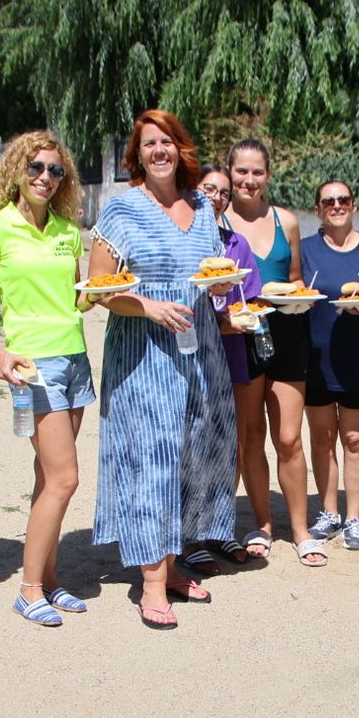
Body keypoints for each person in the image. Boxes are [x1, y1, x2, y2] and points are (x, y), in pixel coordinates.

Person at [86, 109, 239, 629]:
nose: (159, 151)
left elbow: (215, 272)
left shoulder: (201, 206)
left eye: (167, 141)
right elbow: (97, 288)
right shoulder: (121, 210)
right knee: (154, 459)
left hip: (201, 353)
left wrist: (218, 287)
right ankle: (152, 584)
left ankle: (172, 566)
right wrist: (148, 306)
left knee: (192, 456)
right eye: (149, 143)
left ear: (180, 149)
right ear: (138, 153)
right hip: (143, 354)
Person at [0, 130, 95, 626]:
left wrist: (105, 289)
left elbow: (75, 300)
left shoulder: (68, 230)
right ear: (18, 170)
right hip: (33, 367)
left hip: (75, 360)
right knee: (65, 477)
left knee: (48, 478)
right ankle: (28, 588)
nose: (45, 177)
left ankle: (50, 579)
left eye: (55, 171)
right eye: (36, 168)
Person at [224, 140, 321, 565]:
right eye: (241, 171)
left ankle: (300, 530)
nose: (249, 180)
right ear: (229, 173)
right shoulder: (216, 222)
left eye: (257, 172)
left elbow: (296, 278)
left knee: (288, 437)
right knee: (250, 436)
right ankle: (262, 523)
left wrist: (298, 296)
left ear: (269, 174)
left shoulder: (287, 221)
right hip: (241, 332)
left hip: (288, 329)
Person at [300, 180, 359, 552]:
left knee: (355, 440)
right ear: (319, 210)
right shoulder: (305, 250)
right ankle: (328, 512)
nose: (336, 205)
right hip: (315, 360)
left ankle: (354, 517)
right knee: (322, 440)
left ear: (353, 204)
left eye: (343, 199)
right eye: (328, 201)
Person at [189, 163, 263, 573]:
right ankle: (190, 535)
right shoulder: (182, 238)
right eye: (207, 189)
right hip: (190, 353)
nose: (216, 197)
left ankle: (219, 528)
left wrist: (243, 316)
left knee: (228, 443)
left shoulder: (237, 244)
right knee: (193, 443)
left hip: (232, 354)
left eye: (222, 192)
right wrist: (219, 321)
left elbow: (248, 301)